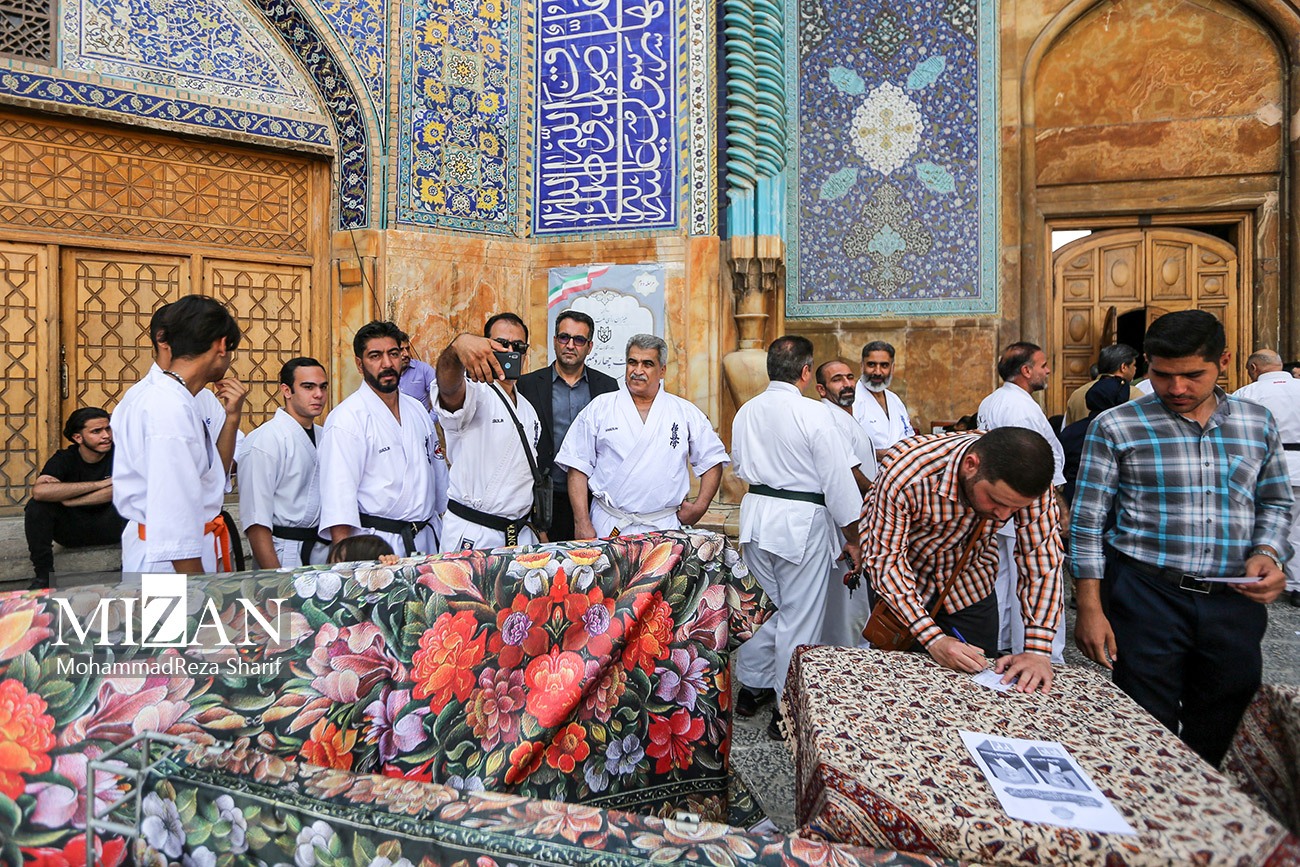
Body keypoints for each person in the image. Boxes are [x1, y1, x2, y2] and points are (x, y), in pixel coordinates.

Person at [1071, 311, 1292, 765]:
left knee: (1225, 720)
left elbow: (1274, 502)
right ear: (1146, 364)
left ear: (1223, 362)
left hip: (1233, 598)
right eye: (1162, 375)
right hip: (1146, 594)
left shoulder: (1257, 424)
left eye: (1193, 375)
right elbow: (1087, 522)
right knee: (1143, 724)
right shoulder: (1116, 426)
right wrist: (1090, 608)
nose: (1176, 388)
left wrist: (1268, 552)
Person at [860, 427, 1064, 694]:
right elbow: (885, 562)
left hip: (970, 584)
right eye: (995, 501)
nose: (1004, 517)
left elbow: (1041, 558)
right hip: (904, 587)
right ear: (971, 465)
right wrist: (933, 639)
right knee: (900, 686)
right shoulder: (907, 471)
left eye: (1015, 509)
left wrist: (1038, 650)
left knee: (978, 685)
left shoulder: (1029, 482)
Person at [731, 336, 862, 738]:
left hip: (756, 516)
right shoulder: (813, 413)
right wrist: (853, 535)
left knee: (763, 607)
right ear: (806, 372)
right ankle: (786, 708)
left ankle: (751, 687)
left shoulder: (746, 411)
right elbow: (838, 481)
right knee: (799, 616)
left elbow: (739, 466)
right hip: (800, 521)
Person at [113, 295, 243, 573]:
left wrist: (232, 418)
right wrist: (196, 587)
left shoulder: (176, 397)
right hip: (171, 563)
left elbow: (210, 478)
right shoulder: (167, 407)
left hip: (189, 547)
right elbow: (173, 515)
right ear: (222, 345)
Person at [558, 334, 728, 539]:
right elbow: (577, 465)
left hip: (662, 525)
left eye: (647, 364)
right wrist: (582, 522)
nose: (637, 371)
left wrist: (700, 507)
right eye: (632, 362)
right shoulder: (600, 407)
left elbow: (712, 459)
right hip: (609, 522)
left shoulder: (684, 411)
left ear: (662, 370)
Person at [319, 321, 448, 557]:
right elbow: (339, 500)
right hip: (377, 545)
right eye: (375, 356)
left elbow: (438, 475)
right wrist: (345, 564)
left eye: (393, 354)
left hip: (427, 539)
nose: (387, 363)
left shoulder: (417, 409)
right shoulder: (346, 419)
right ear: (360, 364)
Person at [977, 341, 1067, 662]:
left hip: (1004, 503)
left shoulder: (994, 400)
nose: (1048, 371)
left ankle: (1001, 644)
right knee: (1033, 576)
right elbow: (1028, 463)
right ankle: (1041, 654)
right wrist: (1055, 502)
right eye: (1043, 365)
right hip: (1025, 501)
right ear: (1026, 371)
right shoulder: (1019, 408)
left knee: (1002, 576)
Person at [435, 312, 545, 550]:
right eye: (501, 344)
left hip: (520, 534)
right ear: (484, 347)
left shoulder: (528, 409)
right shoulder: (474, 391)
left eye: (518, 346)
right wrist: (456, 350)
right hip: (474, 533)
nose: (510, 351)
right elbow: (448, 389)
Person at [517, 310, 619, 541]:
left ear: (590, 346)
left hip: (593, 498)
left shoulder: (607, 386)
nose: (570, 345)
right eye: (564, 337)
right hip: (544, 498)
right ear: (555, 341)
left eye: (579, 340)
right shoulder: (528, 385)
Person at [238, 357, 329, 569]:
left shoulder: (326, 436)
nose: (318, 394)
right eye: (308, 387)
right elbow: (256, 520)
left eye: (323, 387)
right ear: (286, 390)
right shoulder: (264, 440)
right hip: (283, 552)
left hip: (322, 551)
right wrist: (275, 578)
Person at [813, 359, 879, 646]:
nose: (847, 384)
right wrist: (879, 493)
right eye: (837, 379)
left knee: (854, 598)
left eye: (850, 377)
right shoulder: (829, 417)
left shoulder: (845, 415)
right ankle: (845, 653)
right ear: (821, 389)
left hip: (862, 513)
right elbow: (850, 471)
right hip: (847, 517)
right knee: (849, 597)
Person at [24, 408, 126, 588]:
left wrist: (70, 499)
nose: (106, 436)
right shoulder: (64, 458)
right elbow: (40, 492)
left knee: (135, 499)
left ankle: (128, 571)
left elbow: (122, 490)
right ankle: (44, 577)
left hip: (112, 527)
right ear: (78, 437)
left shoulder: (121, 455)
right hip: (72, 531)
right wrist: (100, 484)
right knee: (36, 506)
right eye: (96, 431)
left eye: (108, 429)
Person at [1234, 349, 1300, 608]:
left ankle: (1256, 575)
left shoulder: (1247, 393)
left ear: (1253, 368)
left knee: (1260, 523)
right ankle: (1296, 585)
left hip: (1266, 465)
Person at [1058, 376, 1129, 505]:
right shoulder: (1124, 433)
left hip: (1074, 498)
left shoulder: (1071, 431)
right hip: (1111, 502)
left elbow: (1061, 465)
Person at [854, 340, 915, 461]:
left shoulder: (894, 399)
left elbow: (909, 437)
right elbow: (846, 448)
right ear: (862, 366)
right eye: (871, 365)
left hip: (902, 469)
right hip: (869, 471)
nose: (877, 372)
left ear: (892, 368)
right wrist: (878, 454)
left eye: (884, 365)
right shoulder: (853, 400)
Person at [1062, 344, 1143, 426]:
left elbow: (1067, 428)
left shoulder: (1077, 394)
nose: (1135, 368)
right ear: (1124, 367)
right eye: (1134, 365)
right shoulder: (1134, 394)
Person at [398, 333, 437, 412]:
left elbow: (441, 396)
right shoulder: (385, 374)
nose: (406, 354)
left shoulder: (423, 369)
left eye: (407, 349)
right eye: (401, 349)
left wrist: (429, 418)